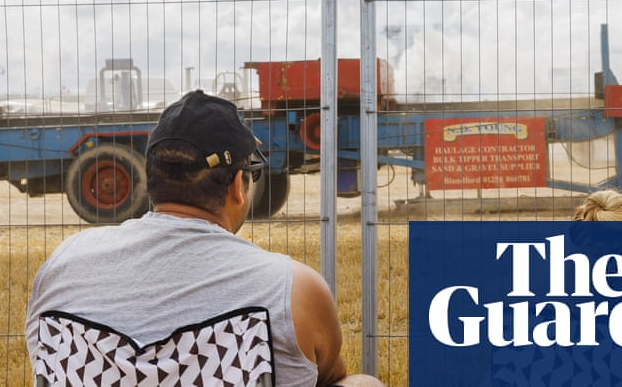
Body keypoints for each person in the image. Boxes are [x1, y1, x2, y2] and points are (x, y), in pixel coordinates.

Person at [25, 90, 383, 387]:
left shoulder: (62, 266)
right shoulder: (291, 287)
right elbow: (330, 375)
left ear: (151, 180)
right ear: (238, 186)